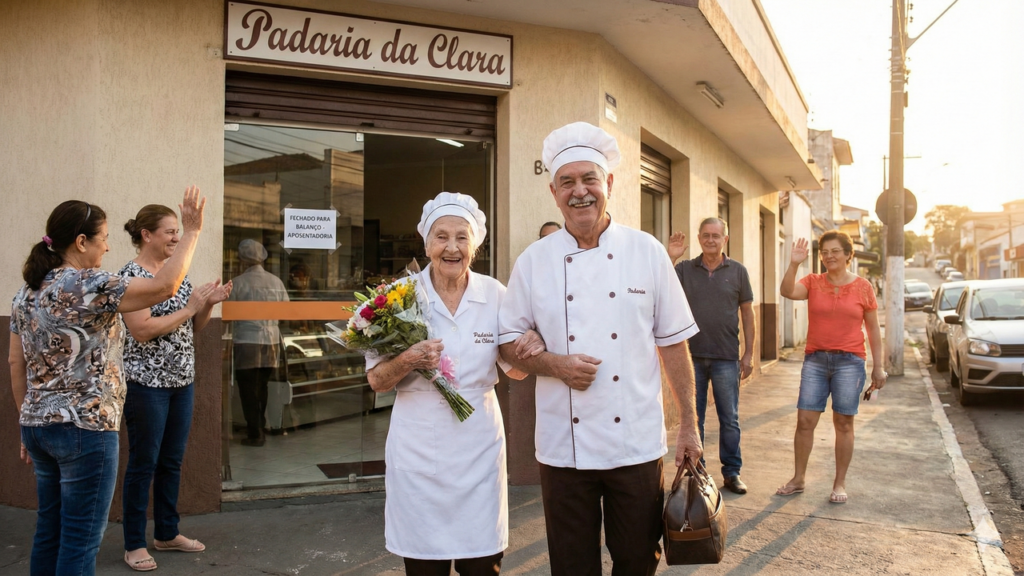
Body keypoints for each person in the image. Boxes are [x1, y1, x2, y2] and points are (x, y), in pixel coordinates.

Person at [498, 122, 703, 576]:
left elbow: (673, 345)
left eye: (589, 179)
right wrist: (553, 364)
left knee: (636, 560)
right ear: (554, 192)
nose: (580, 192)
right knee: (571, 566)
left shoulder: (646, 252)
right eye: (567, 182)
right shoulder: (534, 261)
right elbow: (509, 345)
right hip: (563, 449)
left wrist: (689, 426)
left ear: (609, 183)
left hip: (635, 444)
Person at [8, 188, 206, 576]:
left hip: (37, 427)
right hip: (85, 428)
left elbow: (16, 361)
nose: (108, 248)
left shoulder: (25, 292)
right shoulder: (86, 284)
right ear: (81, 242)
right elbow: (164, 287)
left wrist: (24, 423)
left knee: (49, 530)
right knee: (80, 539)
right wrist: (194, 230)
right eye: (103, 239)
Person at [365, 192, 544, 575]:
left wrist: (531, 347)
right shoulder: (398, 298)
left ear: (474, 245)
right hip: (416, 448)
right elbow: (377, 382)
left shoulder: (495, 294)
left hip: (478, 449)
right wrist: (410, 357)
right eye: (441, 237)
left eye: (462, 237)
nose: (451, 247)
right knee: (424, 566)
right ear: (426, 244)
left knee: (482, 564)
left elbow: (515, 370)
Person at [119, 204, 232, 571]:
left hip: (181, 382)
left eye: (178, 231)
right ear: (146, 234)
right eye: (170, 231)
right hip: (145, 386)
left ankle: (167, 532)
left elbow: (192, 328)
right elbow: (142, 329)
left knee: (171, 461)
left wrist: (207, 305)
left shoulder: (177, 275)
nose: (177, 237)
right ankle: (134, 543)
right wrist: (190, 307)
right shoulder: (130, 276)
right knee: (143, 462)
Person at [777, 231, 886, 504]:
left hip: (850, 362)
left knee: (844, 423)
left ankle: (839, 483)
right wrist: (794, 264)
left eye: (835, 251)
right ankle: (798, 478)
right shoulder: (813, 282)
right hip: (815, 360)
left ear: (849, 254)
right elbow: (787, 291)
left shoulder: (863, 287)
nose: (829, 256)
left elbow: (873, 329)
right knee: (805, 422)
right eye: (824, 252)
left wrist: (879, 367)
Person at [668, 220, 754, 495]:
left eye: (716, 236)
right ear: (699, 238)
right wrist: (671, 257)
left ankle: (732, 473)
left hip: (727, 357)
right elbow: (662, 289)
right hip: (691, 357)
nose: (710, 240)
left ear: (725, 239)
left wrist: (749, 353)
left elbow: (748, 314)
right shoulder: (683, 269)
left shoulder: (738, 271)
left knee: (729, 418)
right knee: (695, 418)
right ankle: (698, 472)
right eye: (705, 235)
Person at [229, 239, 289, 447]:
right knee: (262, 386)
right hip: (270, 341)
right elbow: (286, 309)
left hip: (247, 341)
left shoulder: (237, 282)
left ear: (242, 258)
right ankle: (260, 426)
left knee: (247, 389)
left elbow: (228, 312)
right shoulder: (276, 281)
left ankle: (255, 432)